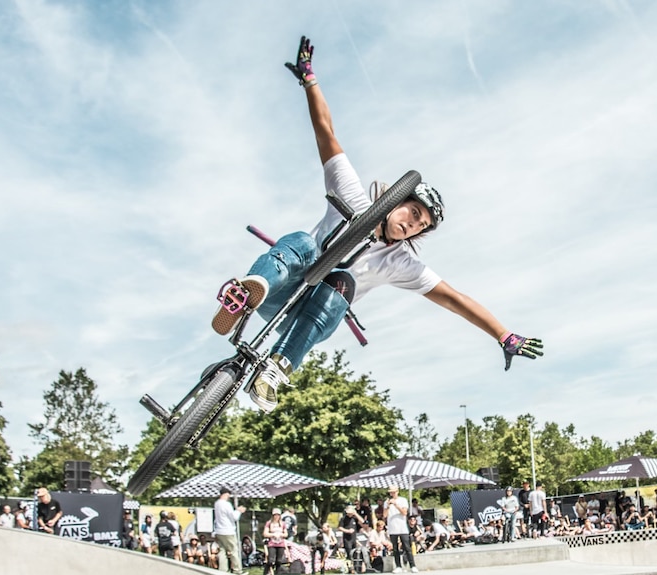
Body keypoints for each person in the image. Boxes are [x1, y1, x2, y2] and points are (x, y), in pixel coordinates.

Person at [211, 35, 544, 414]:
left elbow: (456, 299)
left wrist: (503, 334)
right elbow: (326, 132)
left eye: (421, 226)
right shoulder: (353, 196)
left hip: (306, 318)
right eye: (413, 213)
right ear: (397, 200)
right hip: (279, 290)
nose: (412, 225)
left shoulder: (399, 261)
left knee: (344, 284)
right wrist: (309, 81)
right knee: (305, 242)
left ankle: (275, 369)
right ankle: (247, 291)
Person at [385, 484, 417, 573]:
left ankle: (412, 565)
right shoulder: (386, 502)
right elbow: (384, 515)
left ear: (397, 492)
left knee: (407, 547)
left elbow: (404, 513)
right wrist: (387, 506)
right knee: (395, 548)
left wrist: (396, 505)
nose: (392, 494)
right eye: (391, 492)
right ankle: (398, 566)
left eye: (393, 492)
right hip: (392, 527)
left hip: (402, 527)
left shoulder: (403, 500)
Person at [214, 487, 247, 574]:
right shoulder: (226, 504)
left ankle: (222, 570)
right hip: (228, 530)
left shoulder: (216, 504)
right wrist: (239, 511)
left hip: (219, 530)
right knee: (233, 550)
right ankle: (237, 570)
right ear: (226, 494)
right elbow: (234, 517)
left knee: (222, 551)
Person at [263, 508, 291, 575]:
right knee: (270, 560)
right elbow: (265, 533)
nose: (276, 517)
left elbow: (286, 534)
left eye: (278, 515)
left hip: (280, 544)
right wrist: (273, 535)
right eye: (275, 515)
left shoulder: (282, 524)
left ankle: (277, 573)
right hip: (272, 544)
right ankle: (266, 572)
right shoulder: (269, 523)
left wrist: (281, 534)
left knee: (279, 561)